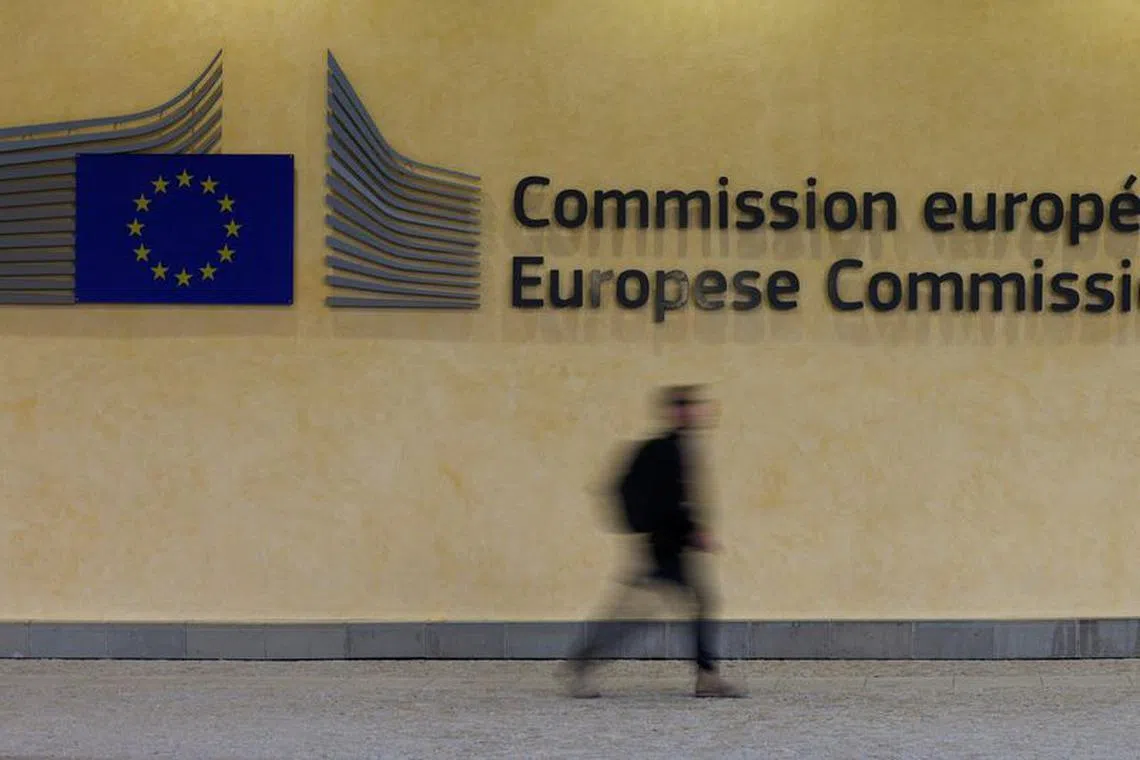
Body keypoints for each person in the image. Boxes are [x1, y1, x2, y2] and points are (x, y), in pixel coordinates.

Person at [561, 384, 746, 698]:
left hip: (671, 547)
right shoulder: (662, 450)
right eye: (688, 407)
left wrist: (690, 531)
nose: (695, 413)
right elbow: (665, 501)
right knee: (635, 614)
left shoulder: (677, 447)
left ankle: (706, 676)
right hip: (663, 548)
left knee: (683, 604)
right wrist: (689, 531)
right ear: (676, 412)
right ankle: (581, 666)